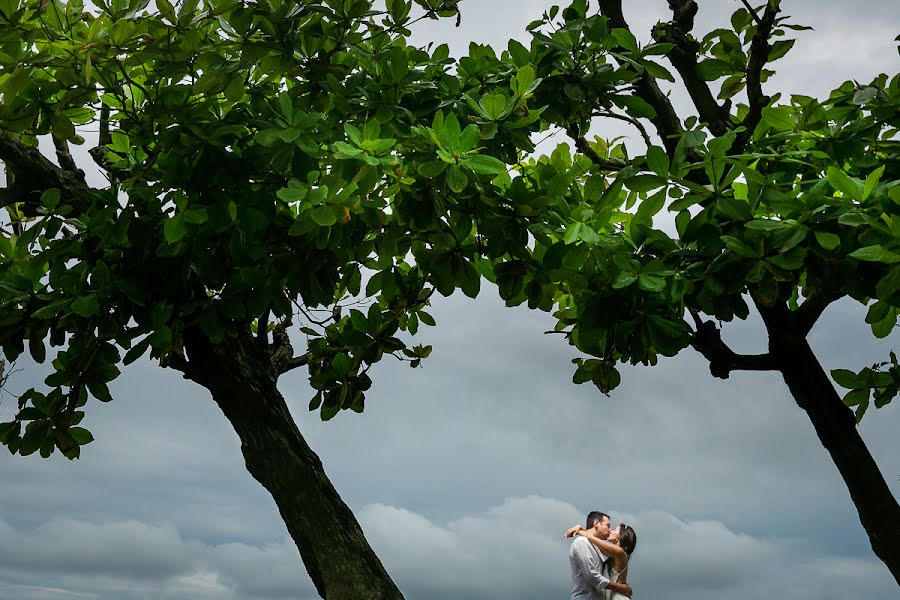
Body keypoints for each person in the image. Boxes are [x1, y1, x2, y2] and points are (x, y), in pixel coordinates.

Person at [566, 518, 637, 600]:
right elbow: (595, 541)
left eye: (614, 530)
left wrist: (578, 530)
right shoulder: (613, 554)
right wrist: (580, 528)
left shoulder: (620, 553)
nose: (610, 530)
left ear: (620, 536)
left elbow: (591, 537)